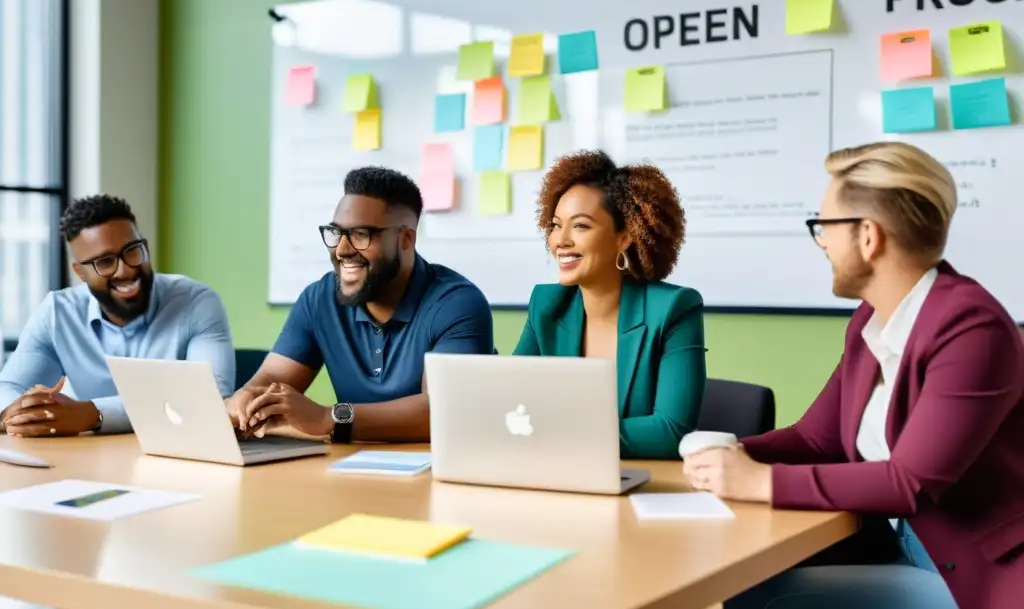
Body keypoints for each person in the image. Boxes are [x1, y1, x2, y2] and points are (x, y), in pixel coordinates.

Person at [683, 141, 1024, 609]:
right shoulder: (872, 319)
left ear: (868, 236)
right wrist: (730, 454)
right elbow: (818, 439)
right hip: (903, 545)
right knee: (751, 582)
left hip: (976, 575)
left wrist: (757, 482)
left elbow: (910, 483)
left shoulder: (972, 329)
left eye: (824, 227)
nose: (821, 242)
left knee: (755, 606)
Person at [229, 166, 493, 442]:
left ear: (405, 239)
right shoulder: (319, 299)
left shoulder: (457, 304)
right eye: (336, 233)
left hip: (435, 471)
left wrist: (328, 417)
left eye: (361, 234)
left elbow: (440, 411)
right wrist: (246, 398)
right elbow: (270, 380)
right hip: (349, 469)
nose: (342, 249)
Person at [512, 150, 706, 459]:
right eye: (555, 224)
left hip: (637, 486)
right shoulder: (546, 306)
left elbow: (671, 430)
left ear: (625, 236)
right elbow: (509, 402)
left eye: (580, 226)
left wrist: (559, 433)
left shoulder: (673, 309)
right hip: (555, 475)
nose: (560, 240)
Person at [0, 193, 235, 436]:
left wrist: (94, 414)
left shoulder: (196, 303)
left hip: (177, 455)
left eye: (133, 250)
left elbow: (211, 397)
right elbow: (9, 387)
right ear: (80, 272)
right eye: (105, 261)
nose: (125, 270)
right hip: (87, 460)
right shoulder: (58, 313)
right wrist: (18, 412)